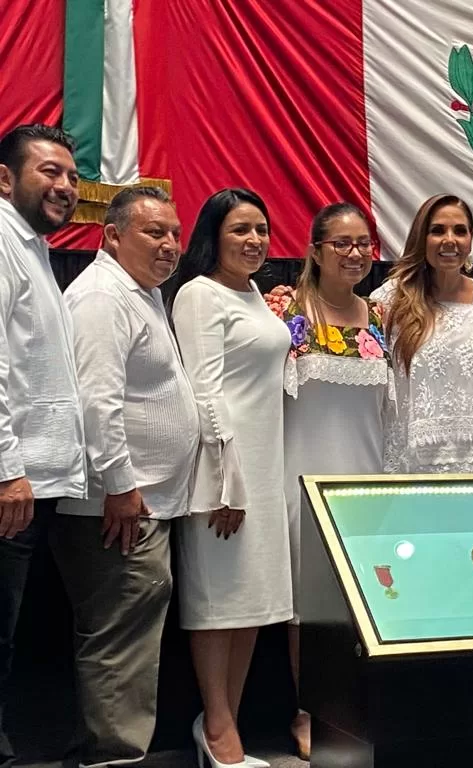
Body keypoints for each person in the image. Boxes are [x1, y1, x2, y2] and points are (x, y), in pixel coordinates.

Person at [54, 187, 200, 766]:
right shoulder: (102, 298)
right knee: (119, 641)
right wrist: (119, 484)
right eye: (153, 233)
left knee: (132, 636)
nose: (169, 245)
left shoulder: (141, 293)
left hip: (139, 499)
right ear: (111, 236)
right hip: (115, 503)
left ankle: (118, 753)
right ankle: (114, 757)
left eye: (174, 233)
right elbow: (96, 402)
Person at [168, 188, 292, 767]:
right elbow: (205, 391)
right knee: (218, 606)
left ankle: (226, 722)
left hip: (266, 468)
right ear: (213, 235)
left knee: (250, 605)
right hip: (224, 473)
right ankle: (216, 728)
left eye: (262, 230)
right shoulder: (199, 294)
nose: (254, 240)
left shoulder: (256, 297)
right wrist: (225, 481)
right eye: (241, 229)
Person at [264, 202, 391, 760]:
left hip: (364, 481)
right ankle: (307, 711)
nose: (355, 252)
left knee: (363, 604)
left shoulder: (379, 316)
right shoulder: (286, 311)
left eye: (363, 242)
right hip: (301, 478)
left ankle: (359, 707)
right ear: (314, 250)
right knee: (305, 610)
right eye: (341, 242)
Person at [0, 124, 87, 768]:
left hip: (36, 481)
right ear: (6, 179)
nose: (63, 186)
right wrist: (7, 472)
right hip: (12, 483)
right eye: (48, 172)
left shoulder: (29, 247)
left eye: (71, 176)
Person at [370, 195, 473, 473]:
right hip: (415, 463)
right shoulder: (390, 299)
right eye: (437, 230)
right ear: (421, 238)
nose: (449, 240)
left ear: (471, 239)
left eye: (460, 230)